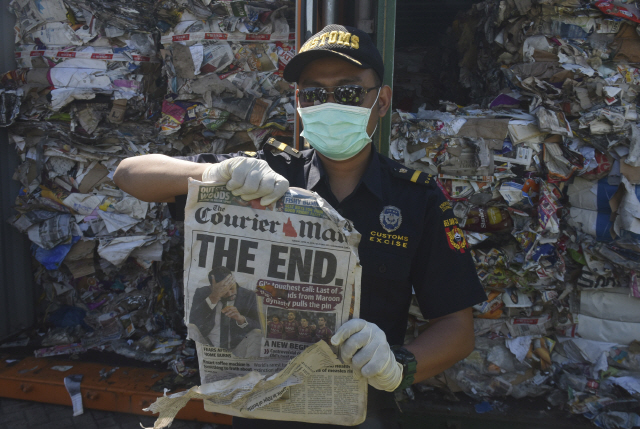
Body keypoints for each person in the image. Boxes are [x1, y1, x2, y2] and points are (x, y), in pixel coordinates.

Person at [114, 24, 486, 428]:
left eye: (347, 92)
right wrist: (215, 172)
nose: (329, 104)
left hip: (359, 410)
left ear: (381, 101)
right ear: (298, 103)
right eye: (313, 94)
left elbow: (456, 327)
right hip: (260, 408)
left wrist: (399, 366)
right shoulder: (264, 174)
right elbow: (130, 174)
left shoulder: (417, 199)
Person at [188, 266, 261, 356]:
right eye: (224, 290)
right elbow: (193, 321)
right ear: (212, 288)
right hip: (209, 347)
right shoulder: (202, 293)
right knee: (191, 327)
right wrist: (214, 297)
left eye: (231, 288)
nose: (230, 294)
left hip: (237, 348)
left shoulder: (248, 296)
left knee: (257, 333)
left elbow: (259, 326)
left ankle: (250, 368)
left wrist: (241, 319)